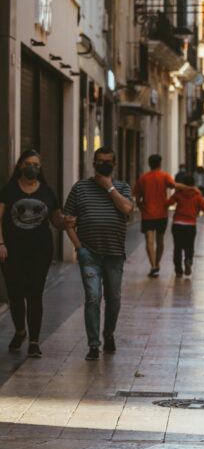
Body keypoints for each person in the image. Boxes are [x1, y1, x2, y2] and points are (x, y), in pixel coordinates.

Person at [0, 148, 74, 358]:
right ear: (19, 166)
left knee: (34, 294)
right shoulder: (8, 190)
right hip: (11, 251)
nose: (31, 168)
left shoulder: (48, 192)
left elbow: (56, 220)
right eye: (28, 163)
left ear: (40, 169)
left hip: (40, 251)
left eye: (36, 165)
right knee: (15, 294)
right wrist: (0, 243)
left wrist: (66, 222)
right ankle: (20, 331)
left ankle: (34, 341)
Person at [64, 147, 134, 361]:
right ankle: (93, 344)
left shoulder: (122, 187)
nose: (103, 164)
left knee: (114, 299)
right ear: (93, 163)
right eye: (99, 161)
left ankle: (109, 334)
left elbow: (127, 209)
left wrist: (109, 188)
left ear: (114, 164)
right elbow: (67, 220)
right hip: (89, 254)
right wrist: (79, 248)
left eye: (107, 162)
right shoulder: (80, 188)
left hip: (114, 254)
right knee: (93, 298)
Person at [133, 154, 175, 278]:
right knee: (160, 241)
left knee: (149, 241)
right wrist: (168, 203)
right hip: (162, 214)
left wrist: (141, 207)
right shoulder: (165, 176)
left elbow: (137, 196)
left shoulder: (143, 178)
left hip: (147, 215)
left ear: (149, 163)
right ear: (160, 163)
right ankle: (157, 263)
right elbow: (174, 187)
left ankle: (153, 266)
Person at [166, 173, 204, 277]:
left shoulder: (179, 193)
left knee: (178, 247)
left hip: (178, 223)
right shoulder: (196, 194)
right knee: (189, 246)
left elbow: (168, 203)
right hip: (190, 224)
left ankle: (178, 271)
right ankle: (188, 260)